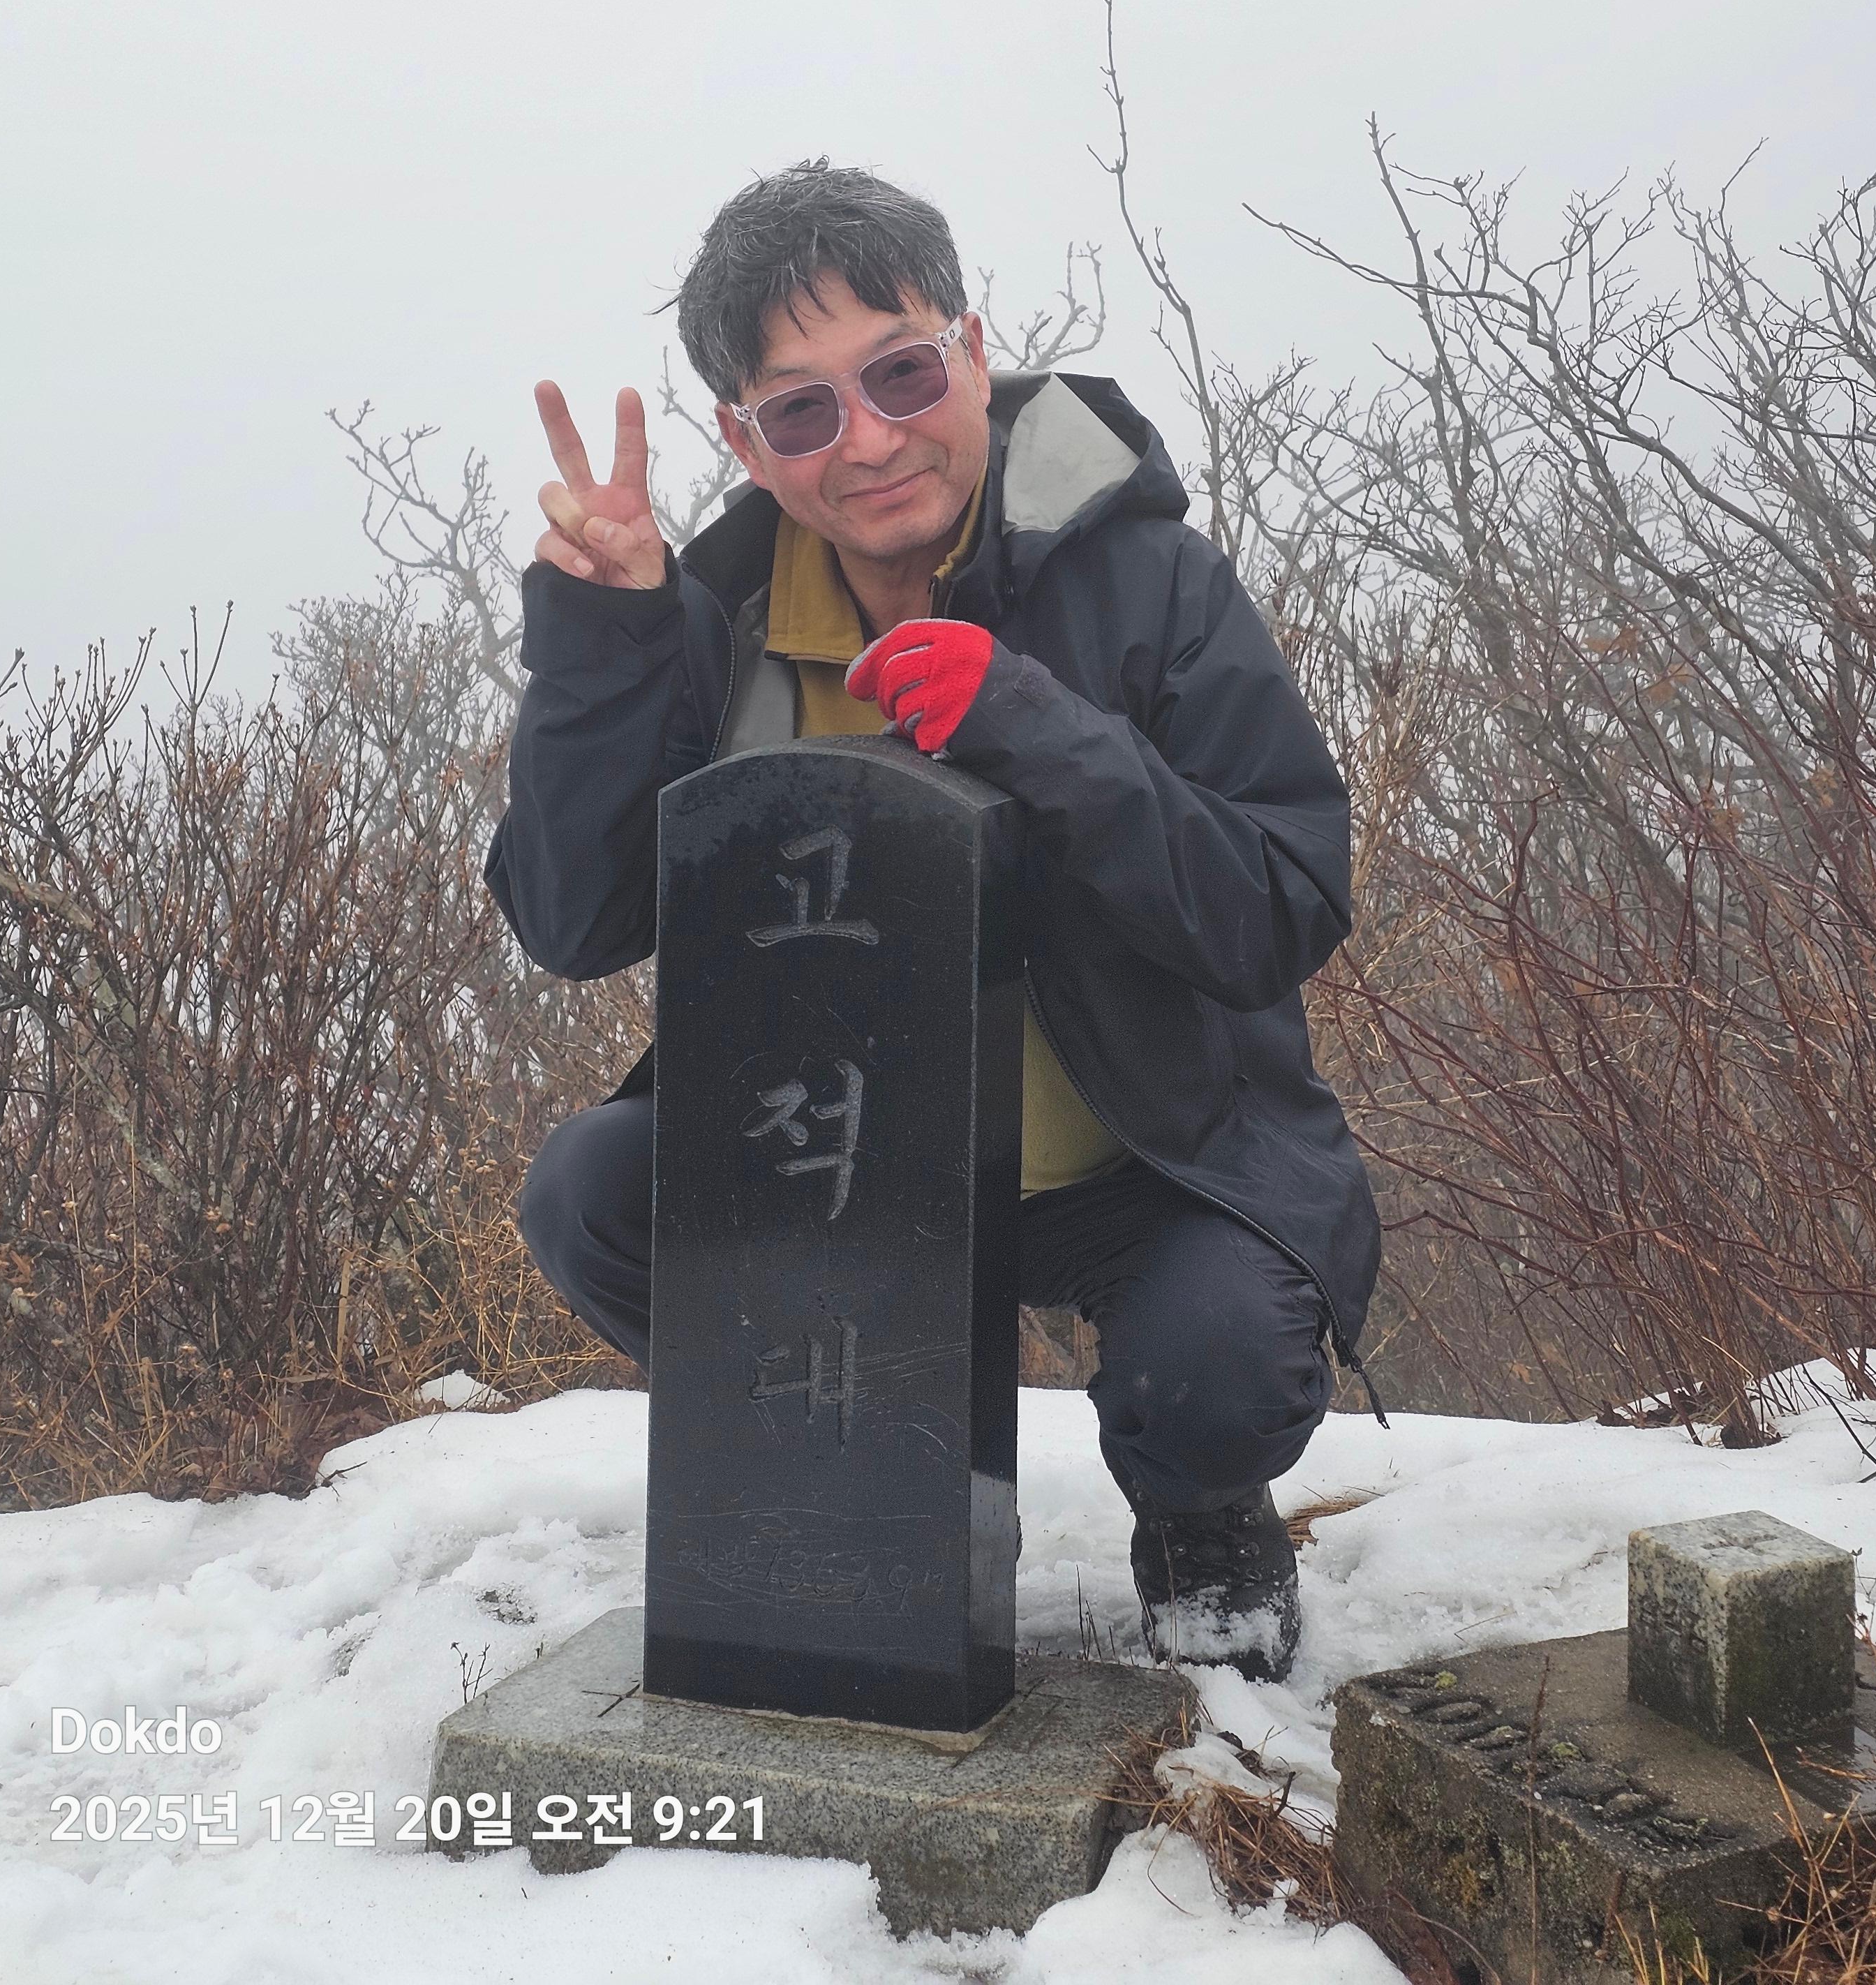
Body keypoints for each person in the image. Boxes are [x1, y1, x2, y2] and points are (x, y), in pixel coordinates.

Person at [489, 161, 1380, 1681]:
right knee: (593, 1191)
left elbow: (1280, 903)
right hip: (844, 1170)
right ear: (746, 444)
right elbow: (575, 920)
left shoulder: (1150, 580)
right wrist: (603, 641)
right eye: (803, 410)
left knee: (1215, 1370)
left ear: (971, 350)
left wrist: (1032, 723)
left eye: (900, 372)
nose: (871, 438)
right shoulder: (714, 624)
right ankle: (887, 1479)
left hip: (1144, 1160)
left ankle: (1201, 1513)